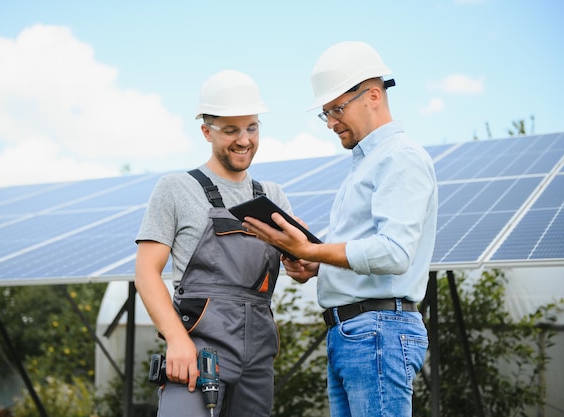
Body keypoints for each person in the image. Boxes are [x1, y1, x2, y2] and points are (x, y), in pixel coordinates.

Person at [243, 41, 438, 417]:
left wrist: (310, 251)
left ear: (374, 96)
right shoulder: (365, 165)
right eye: (325, 113)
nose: (331, 122)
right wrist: (316, 263)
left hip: (378, 330)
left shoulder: (400, 158)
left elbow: (394, 253)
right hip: (355, 334)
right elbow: (364, 249)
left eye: (336, 109)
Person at [134, 69, 292, 417]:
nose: (244, 139)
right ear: (206, 131)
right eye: (231, 130)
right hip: (196, 350)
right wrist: (176, 339)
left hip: (258, 357)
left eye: (251, 127)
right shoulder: (176, 188)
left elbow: (300, 266)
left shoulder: (274, 196)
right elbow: (146, 272)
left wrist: (305, 263)